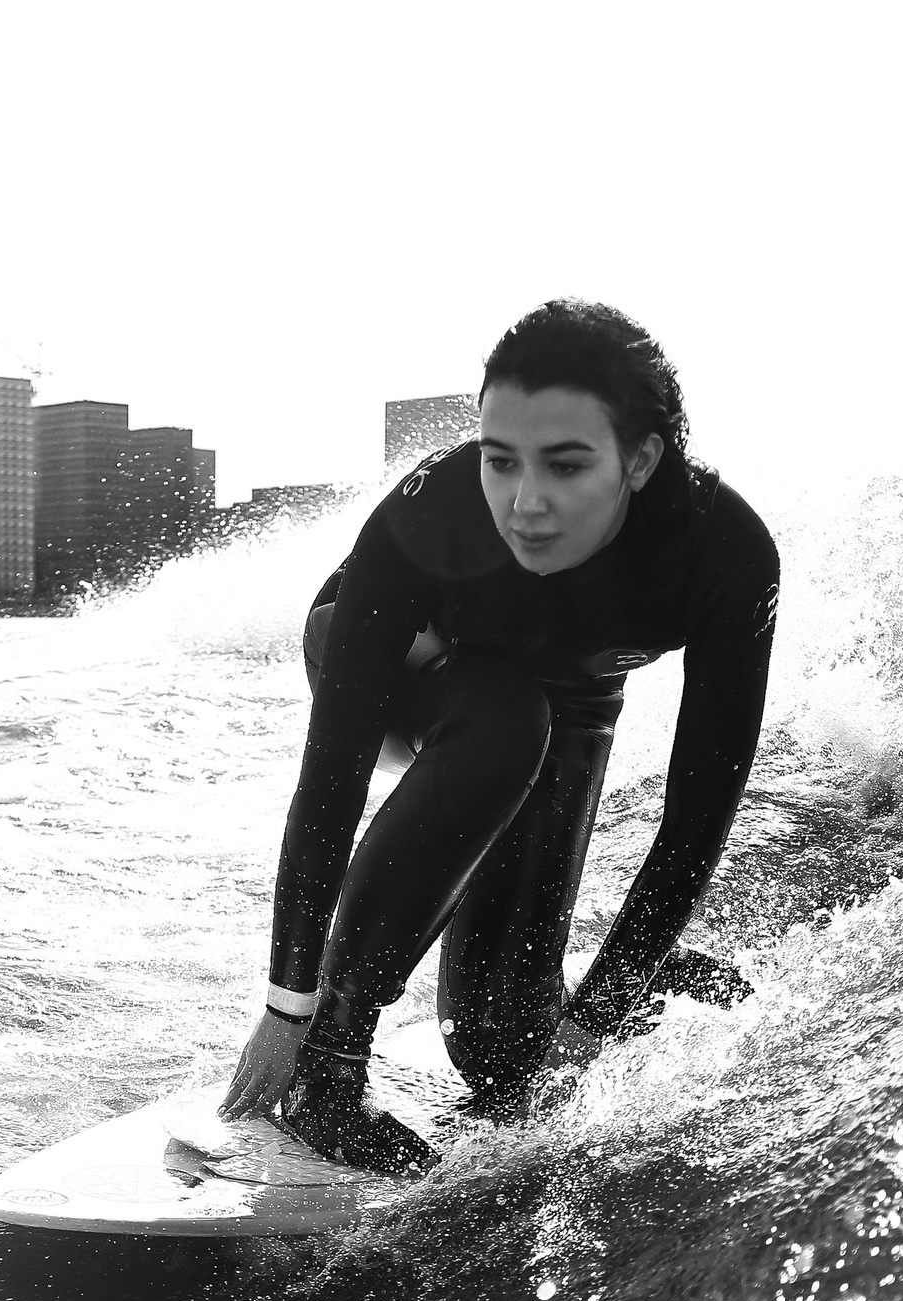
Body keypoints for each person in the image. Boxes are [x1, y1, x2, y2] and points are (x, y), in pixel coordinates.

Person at [218, 299, 780, 1172]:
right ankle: (331, 1068)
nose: (525, 504)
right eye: (499, 460)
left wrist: (601, 1012)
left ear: (639, 459)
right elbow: (331, 775)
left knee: (503, 1051)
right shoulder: (433, 515)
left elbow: (697, 814)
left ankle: (611, 984)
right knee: (505, 721)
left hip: (575, 689)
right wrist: (289, 1009)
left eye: (565, 465)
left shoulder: (724, 556)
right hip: (404, 667)